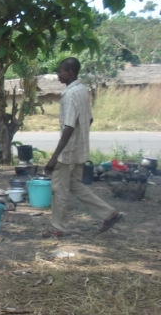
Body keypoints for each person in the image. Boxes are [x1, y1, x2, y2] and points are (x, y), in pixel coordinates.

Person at [43, 57, 123, 237]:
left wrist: (55, 157)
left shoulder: (71, 94)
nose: (58, 75)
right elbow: (89, 119)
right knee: (74, 185)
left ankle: (58, 227)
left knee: (59, 189)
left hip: (67, 152)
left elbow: (69, 126)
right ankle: (109, 213)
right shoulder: (83, 91)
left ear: (70, 72)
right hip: (79, 149)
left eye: (60, 71)